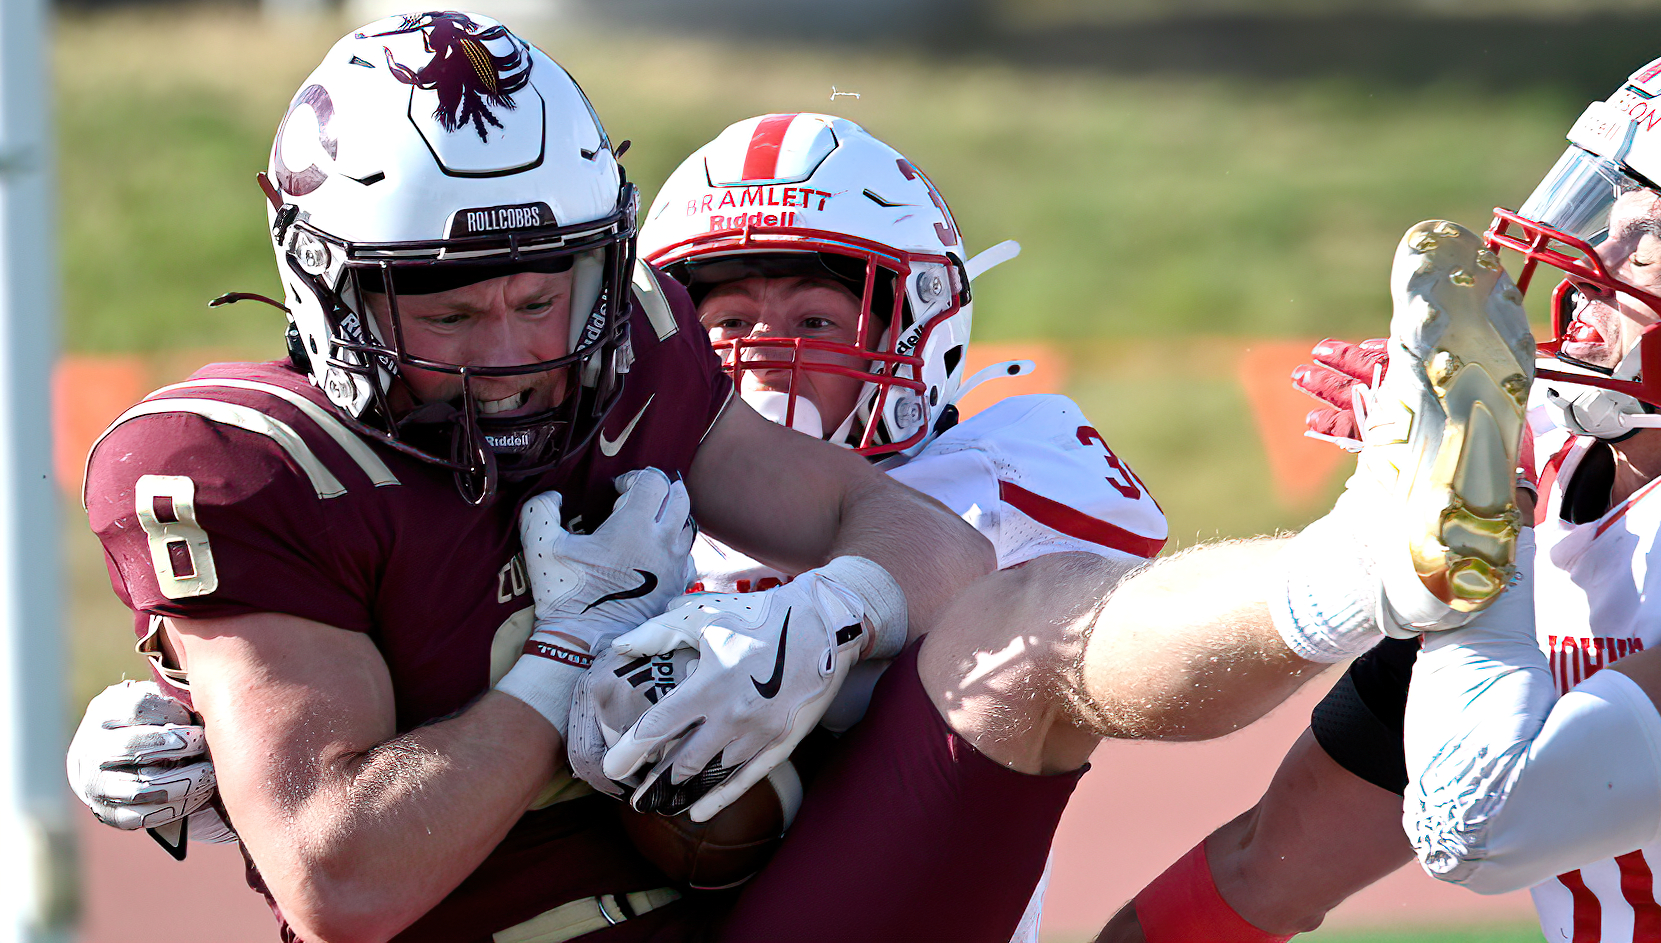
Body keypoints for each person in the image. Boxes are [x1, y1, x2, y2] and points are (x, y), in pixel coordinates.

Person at [69, 106, 1172, 942]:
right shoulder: (614, 461)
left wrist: (832, 610)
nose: (766, 351)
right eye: (726, 318)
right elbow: (434, 697)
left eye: (816, 316)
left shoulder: (998, 459)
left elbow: (1014, 610)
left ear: (921, 321)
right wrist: (225, 726)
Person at [1102, 39, 1661, 943]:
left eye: (1657, 236)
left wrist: (1472, 516)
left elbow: (1481, 826)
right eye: (1614, 214)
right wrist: (1403, 531)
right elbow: (1272, 868)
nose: (1592, 259)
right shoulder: (1562, 486)